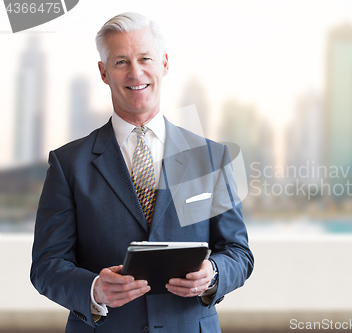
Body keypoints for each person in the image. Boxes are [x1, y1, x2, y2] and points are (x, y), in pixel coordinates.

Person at [30, 12, 254, 333]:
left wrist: (213, 274)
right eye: (121, 61)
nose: (136, 72)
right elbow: (46, 266)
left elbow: (238, 253)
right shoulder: (68, 163)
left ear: (164, 63)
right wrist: (94, 289)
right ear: (104, 72)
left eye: (144, 58)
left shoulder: (210, 157)